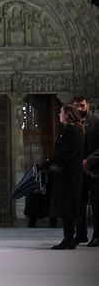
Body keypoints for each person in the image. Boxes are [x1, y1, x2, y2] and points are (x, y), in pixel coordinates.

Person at [38, 103, 84, 250]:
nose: (59, 115)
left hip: (70, 174)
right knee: (65, 206)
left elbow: (67, 151)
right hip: (65, 173)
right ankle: (68, 238)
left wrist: (49, 161)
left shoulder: (75, 129)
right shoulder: (67, 130)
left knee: (69, 205)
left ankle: (69, 238)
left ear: (68, 114)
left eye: (61, 112)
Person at [73, 96, 99, 247]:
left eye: (82, 105)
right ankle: (80, 234)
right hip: (78, 171)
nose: (80, 108)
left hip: (95, 169)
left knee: (96, 205)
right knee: (79, 204)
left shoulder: (96, 120)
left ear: (87, 105)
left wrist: (89, 160)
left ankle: (97, 236)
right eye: (77, 106)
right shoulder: (73, 123)